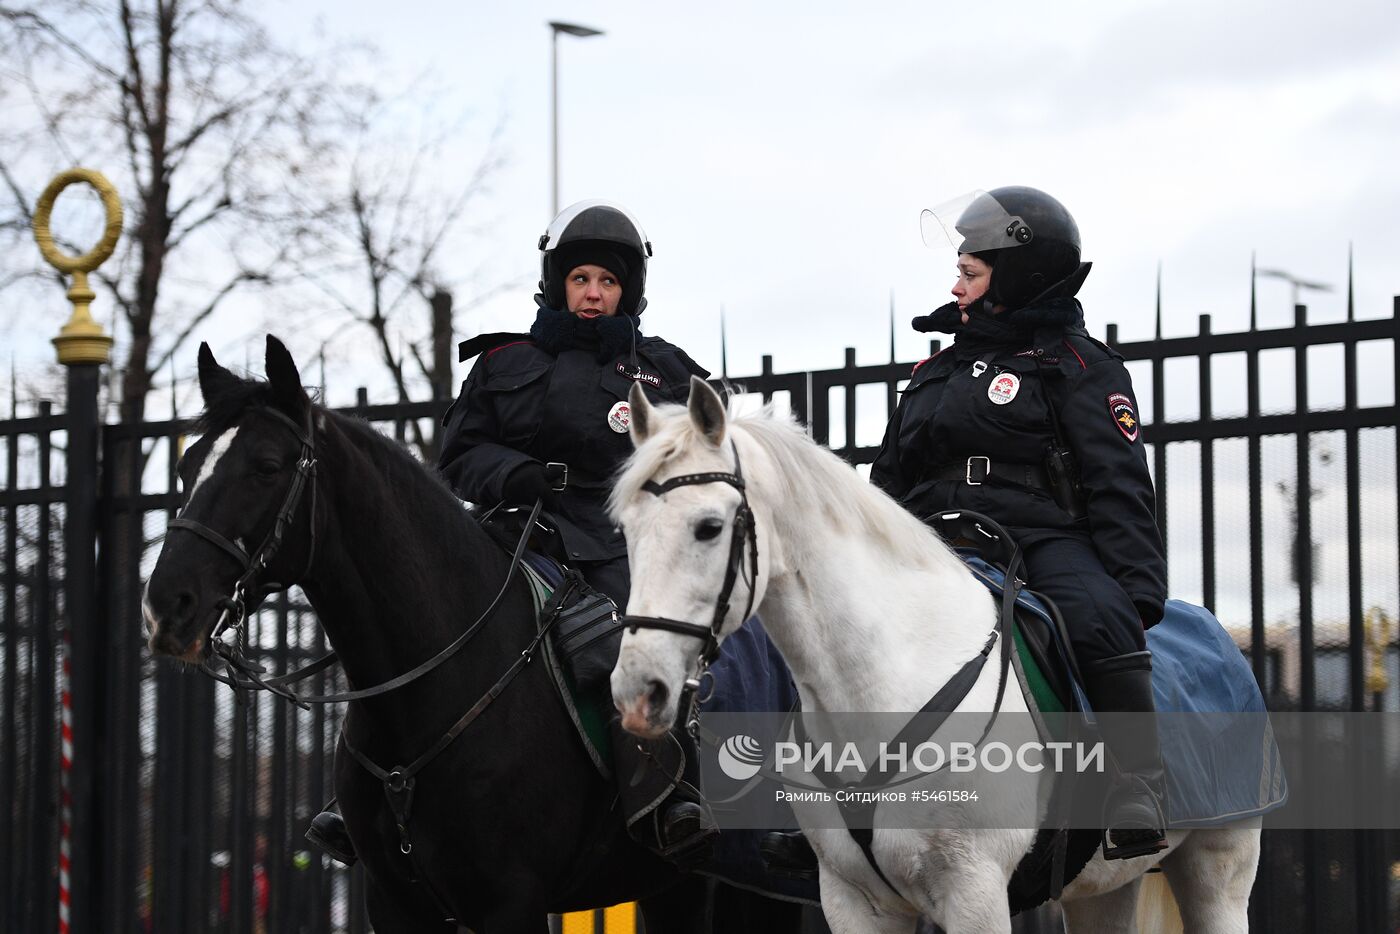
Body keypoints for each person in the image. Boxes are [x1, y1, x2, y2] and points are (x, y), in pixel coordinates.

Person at [761, 187, 1168, 878]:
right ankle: (827, 806)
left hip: (1039, 540)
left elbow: (1116, 478)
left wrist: (1135, 588)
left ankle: (1138, 788)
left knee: (1100, 619)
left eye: (971, 272)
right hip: (930, 542)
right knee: (827, 628)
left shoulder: (1076, 365)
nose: (956, 285)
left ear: (1020, 275)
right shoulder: (937, 370)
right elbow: (887, 483)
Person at [306, 200, 718, 869]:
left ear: (627, 292)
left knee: (625, 646)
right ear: (559, 283)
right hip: (516, 532)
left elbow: (702, 460)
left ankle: (669, 795)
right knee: (411, 624)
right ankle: (357, 803)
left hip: (621, 542)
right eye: (582, 279)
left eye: (608, 283)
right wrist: (520, 474)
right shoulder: (503, 363)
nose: (593, 294)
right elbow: (459, 458)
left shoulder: (664, 370)